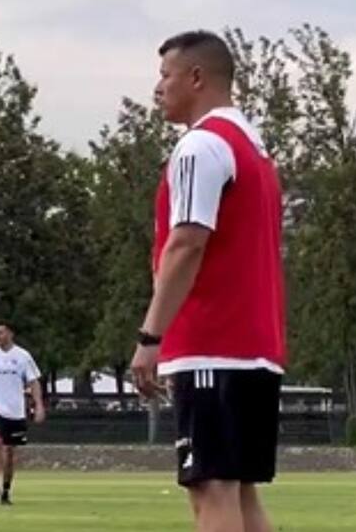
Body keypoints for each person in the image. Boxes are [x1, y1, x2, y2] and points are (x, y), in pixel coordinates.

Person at [130, 30, 287, 532]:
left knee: (210, 491)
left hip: (212, 344)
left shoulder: (201, 146)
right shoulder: (254, 150)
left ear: (196, 78)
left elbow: (187, 242)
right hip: (257, 347)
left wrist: (150, 336)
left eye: (165, 76)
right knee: (240, 493)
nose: (158, 89)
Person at [0, 321, 45, 506]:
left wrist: (39, 405)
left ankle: (6, 490)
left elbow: (34, 382)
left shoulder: (23, 356)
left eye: (1, 332)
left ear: (10, 334)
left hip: (15, 411)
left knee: (9, 451)